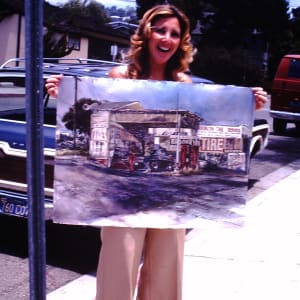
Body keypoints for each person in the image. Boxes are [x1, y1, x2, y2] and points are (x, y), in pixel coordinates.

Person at [45, 4, 268, 300]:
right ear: (146, 34)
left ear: (181, 42)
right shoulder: (120, 76)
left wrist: (244, 107)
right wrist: (65, 94)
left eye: (174, 33)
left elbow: (202, 132)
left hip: (171, 197)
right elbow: (95, 111)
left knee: (165, 275)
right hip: (121, 199)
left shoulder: (184, 83)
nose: (166, 38)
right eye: (160, 30)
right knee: (117, 272)